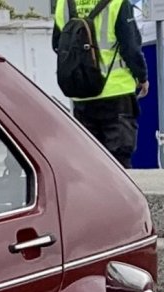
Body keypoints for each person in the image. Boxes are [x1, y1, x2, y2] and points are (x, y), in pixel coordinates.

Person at [52, 0, 148, 168]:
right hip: (115, 92)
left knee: (89, 160)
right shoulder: (117, 3)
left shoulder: (64, 3)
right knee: (119, 160)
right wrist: (142, 77)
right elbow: (131, 47)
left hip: (81, 93)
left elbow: (57, 44)